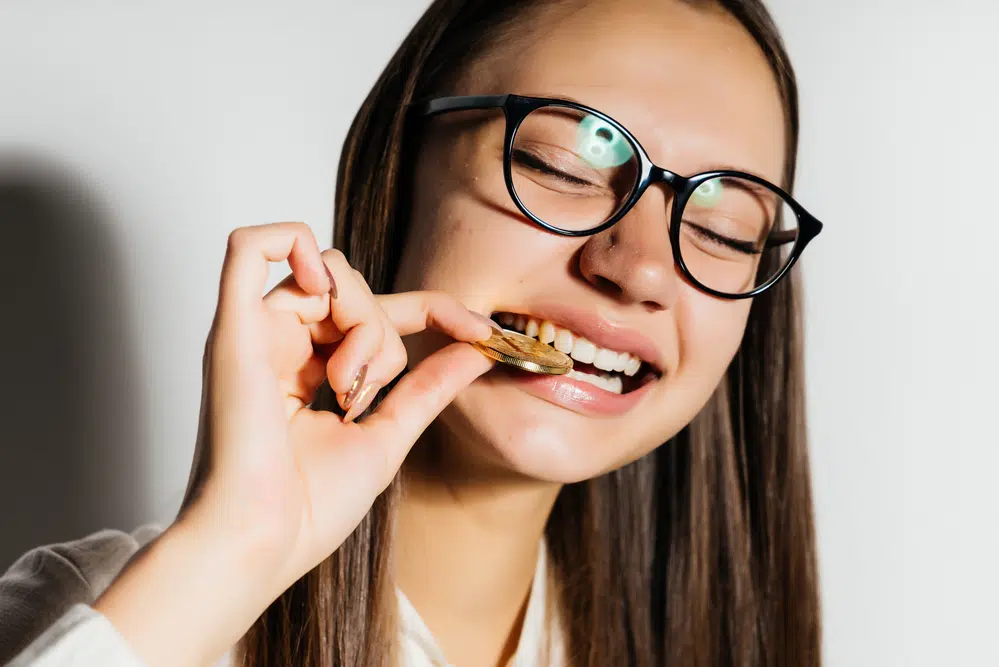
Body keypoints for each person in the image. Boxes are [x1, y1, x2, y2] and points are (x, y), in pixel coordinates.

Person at [0, 0, 826, 665]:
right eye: (560, 168)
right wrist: (233, 549)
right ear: (399, 169)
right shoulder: (124, 617)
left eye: (721, 232)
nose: (639, 268)